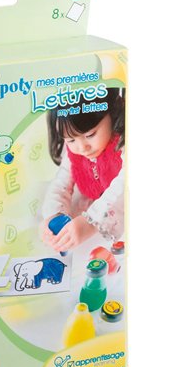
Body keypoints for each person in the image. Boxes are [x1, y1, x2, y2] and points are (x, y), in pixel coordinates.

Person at [41, 87, 125, 253]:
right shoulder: (73, 152)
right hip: (94, 200)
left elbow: (124, 185)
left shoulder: (123, 143)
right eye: (71, 140)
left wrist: (91, 222)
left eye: (90, 135)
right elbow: (61, 183)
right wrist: (54, 214)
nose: (82, 147)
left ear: (113, 113)